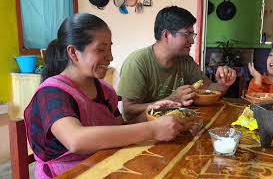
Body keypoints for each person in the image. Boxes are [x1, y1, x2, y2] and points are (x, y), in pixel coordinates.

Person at [24, 13, 193, 178]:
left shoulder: (105, 90)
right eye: (101, 49)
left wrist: (150, 113)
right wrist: (153, 129)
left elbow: (119, 129)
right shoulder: (52, 92)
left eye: (110, 47)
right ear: (73, 52)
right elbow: (75, 140)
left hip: (104, 164)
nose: (110, 57)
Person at [117, 6, 237, 123]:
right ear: (166, 35)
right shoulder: (137, 62)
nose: (192, 41)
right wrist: (171, 100)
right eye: (187, 34)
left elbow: (209, 89)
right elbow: (128, 111)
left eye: (192, 35)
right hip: (143, 129)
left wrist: (223, 83)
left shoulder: (185, 60)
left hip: (175, 127)